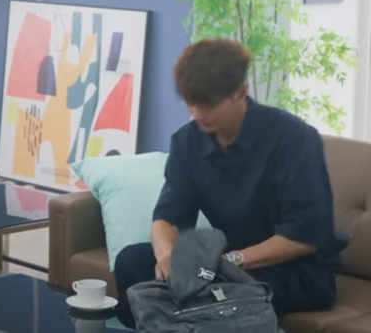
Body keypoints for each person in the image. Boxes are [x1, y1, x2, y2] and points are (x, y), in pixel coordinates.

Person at [113, 38, 344, 328]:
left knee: (216, 291)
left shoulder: (295, 139)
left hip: (295, 270)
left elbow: (304, 237)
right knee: (132, 262)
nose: (198, 113)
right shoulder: (188, 142)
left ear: (240, 92)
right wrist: (167, 255)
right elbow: (167, 218)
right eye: (191, 103)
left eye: (208, 104)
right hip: (226, 258)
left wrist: (225, 261)